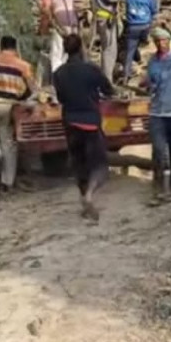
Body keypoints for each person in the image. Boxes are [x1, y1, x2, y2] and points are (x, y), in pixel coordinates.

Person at [53, 33, 114, 220]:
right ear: (81, 49)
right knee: (100, 166)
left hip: (70, 122)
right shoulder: (91, 70)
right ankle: (89, 196)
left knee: (79, 165)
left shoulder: (58, 74)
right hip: (90, 123)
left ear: (64, 50)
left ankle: (84, 201)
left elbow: (61, 99)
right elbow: (108, 90)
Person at [0, 36, 36, 192]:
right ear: (14, 48)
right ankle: (7, 182)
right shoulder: (23, 66)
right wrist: (26, 99)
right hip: (9, 108)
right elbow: (32, 89)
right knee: (9, 144)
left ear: (1, 46)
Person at [141, 25, 171, 206]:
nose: (161, 44)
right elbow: (151, 80)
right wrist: (146, 83)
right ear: (154, 44)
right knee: (158, 151)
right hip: (157, 113)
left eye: (164, 40)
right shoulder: (153, 62)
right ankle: (159, 188)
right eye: (158, 41)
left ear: (169, 42)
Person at [37, 0, 79, 73]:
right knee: (66, 54)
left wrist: (43, 28)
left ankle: (57, 84)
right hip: (73, 22)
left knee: (56, 55)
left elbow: (47, 5)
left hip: (60, 21)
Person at [121, 0, 158, 85]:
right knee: (144, 46)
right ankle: (147, 71)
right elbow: (154, 10)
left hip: (133, 26)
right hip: (145, 26)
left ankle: (126, 76)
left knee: (130, 51)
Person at [92, 0, 122, 82]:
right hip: (105, 18)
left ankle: (106, 79)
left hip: (105, 18)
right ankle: (107, 81)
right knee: (109, 51)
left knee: (109, 50)